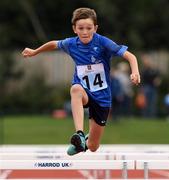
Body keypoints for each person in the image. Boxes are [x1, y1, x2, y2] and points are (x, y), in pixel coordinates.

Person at [22, 7, 140, 155]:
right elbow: (53, 44)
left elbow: (130, 56)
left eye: (89, 28)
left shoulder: (103, 42)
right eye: (81, 28)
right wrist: (35, 51)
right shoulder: (71, 44)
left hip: (102, 97)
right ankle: (79, 133)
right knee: (75, 90)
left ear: (95, 28)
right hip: (83, 90)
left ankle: (86, 142)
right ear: (74, 29)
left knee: (93, 147)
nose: (85, 32)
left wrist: (135, 72)